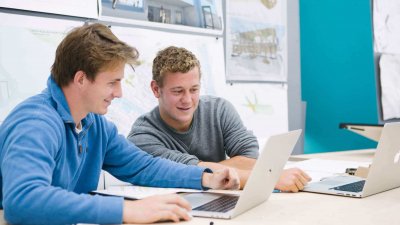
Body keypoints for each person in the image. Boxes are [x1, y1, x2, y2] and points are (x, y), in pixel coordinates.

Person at [0, 24, 240, 225]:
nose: (119, 92)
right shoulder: (35, 123)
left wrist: (205, 178)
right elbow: (22, 200)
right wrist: (126, 211)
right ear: (81, 79)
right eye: (112, 82)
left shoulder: (94, 124)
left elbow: (143, 167)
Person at [128, 46, 311, 191]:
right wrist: (269, 178)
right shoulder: (142, 136)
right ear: (155, 89)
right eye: (177, 91)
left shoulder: (218, 109)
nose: (187, 100)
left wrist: (208, 172)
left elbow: (249, 156)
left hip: (222, 199)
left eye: (194, 89)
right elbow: (186, 172)